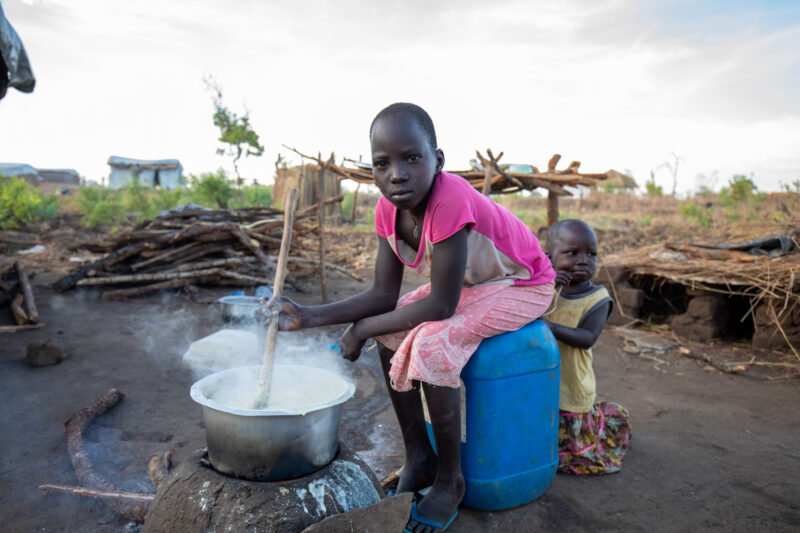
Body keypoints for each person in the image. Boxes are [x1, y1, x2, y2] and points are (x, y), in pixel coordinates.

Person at [264, 102, 555, 533]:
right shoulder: (389, 211)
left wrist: (360, 329)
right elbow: (385, 295)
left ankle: (450, 480)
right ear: (372, 171)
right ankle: (419, 457)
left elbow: (441, 308)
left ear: (438, 160)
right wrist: (306, 316)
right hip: (476, 285)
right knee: (394, 329)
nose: (397, 173)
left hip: (525, 284)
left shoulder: (450, 198)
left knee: (434, 340)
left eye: (412, 158)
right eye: (383, 163)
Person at [541, 219, 631, 475]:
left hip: (573, 381)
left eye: (591, 254)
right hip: (543, 376)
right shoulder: (546, 289)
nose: (584, 260)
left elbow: (587, 337)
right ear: (549, 258)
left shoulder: (598, 299)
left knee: (571, 451)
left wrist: (552, 328)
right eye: (572, 253)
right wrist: (548, 284)